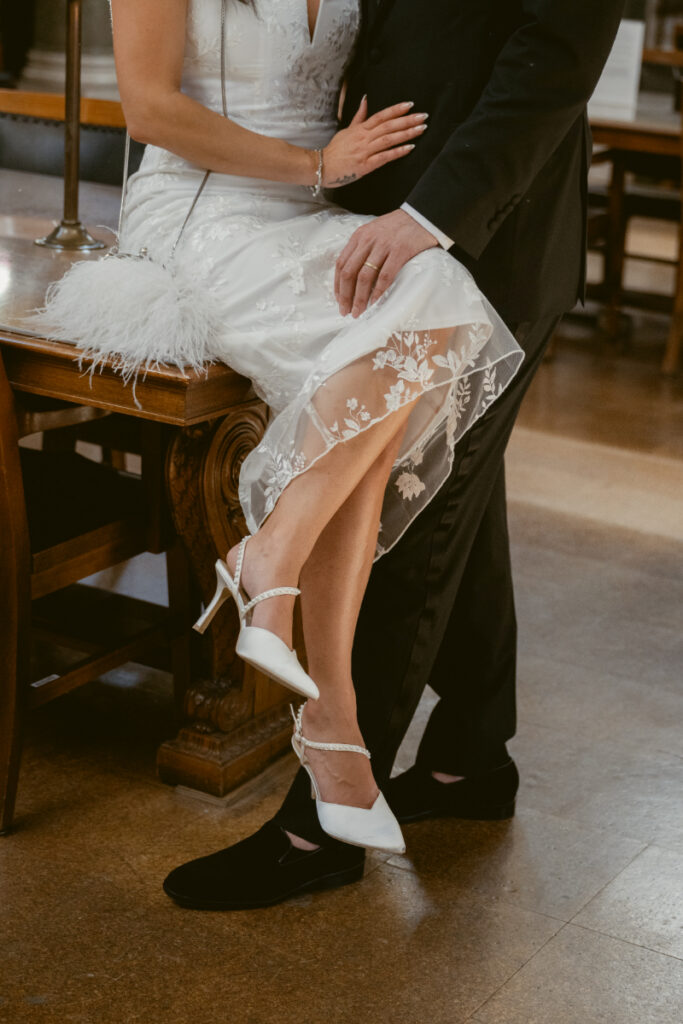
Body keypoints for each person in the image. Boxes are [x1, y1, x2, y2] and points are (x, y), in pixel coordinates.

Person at [32, 0, 524, 873]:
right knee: (392, 371)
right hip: (203, 211)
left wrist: (345, 174)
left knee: (396, 367)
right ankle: (329, 724)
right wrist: (313, 163)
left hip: (313, 215)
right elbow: (148, 109)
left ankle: (281, 587)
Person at [155, 0, 625, 911]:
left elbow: (556, 57)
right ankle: (468, 759)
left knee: (412, 530)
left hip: (481, 236)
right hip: (367, 229)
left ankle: (317, 827)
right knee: (460, 501)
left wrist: (433, 214)